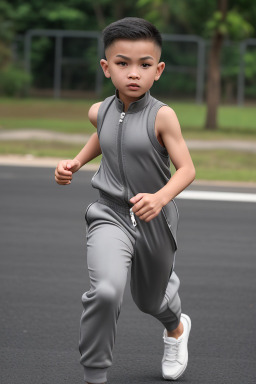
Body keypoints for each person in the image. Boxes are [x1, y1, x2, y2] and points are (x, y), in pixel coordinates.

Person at [55, 17, 196, 384]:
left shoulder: (162, 117)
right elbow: (104, 135)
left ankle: (176, 328)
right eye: (123, 63)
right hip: (109, 214)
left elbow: (187, 170)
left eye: (144, 65)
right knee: (105, 291)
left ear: (158, 70)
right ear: (106, 67)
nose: (134, 73)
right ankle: (95, 375)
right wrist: (76, 162)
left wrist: (161, 196)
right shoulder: (98, 110)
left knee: (150, 301)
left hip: (154, 219)